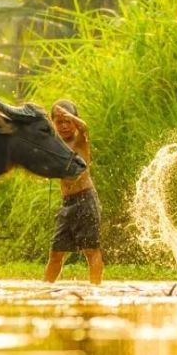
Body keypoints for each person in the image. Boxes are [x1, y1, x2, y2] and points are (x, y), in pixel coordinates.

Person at [43, 100, 104, 284]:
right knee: (55, 253)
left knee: (91, 250)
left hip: (86, 200)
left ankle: (96, 290)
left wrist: (73, 118)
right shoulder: (54, 144)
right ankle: (46, 289)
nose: (64, 126)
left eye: (67, 121)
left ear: (74, 121)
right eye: (59, 122)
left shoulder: (79, 139)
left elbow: (85, 128)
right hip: (67, 204)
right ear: (53, 122)